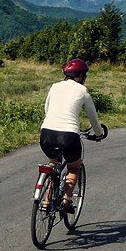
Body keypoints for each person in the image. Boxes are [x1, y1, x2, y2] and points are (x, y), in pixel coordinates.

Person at [39, 58, 105, 213]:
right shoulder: (83, 91)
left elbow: (47, 109)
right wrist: (99, 133)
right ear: (81, 76)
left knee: (53, 165)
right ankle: (66, 201)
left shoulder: (55, 87)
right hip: (68, 137)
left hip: (46, 133)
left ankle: (46, 202)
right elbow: (93, 117)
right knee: (74, 167)